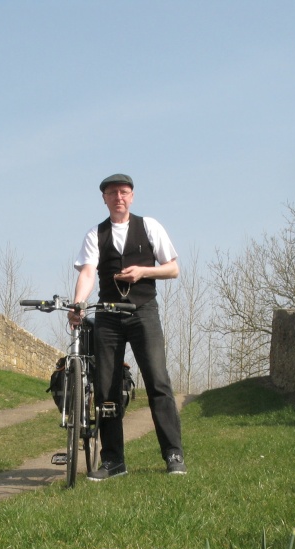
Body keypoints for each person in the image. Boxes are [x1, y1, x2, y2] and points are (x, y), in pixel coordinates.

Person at [69, 173, 186, 481]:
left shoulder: (149, 226)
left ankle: (173, 454)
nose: (118, 197)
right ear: (104, 199)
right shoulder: (95, 234)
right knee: (106, 386)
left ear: (131, 196)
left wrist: (143, 272)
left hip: (143, 311)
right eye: (111, 193)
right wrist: (78, 304)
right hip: (108, 315)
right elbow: (87, 273)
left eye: (123, 192)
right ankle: (113, 460)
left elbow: (173, 268)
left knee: (158, 381)